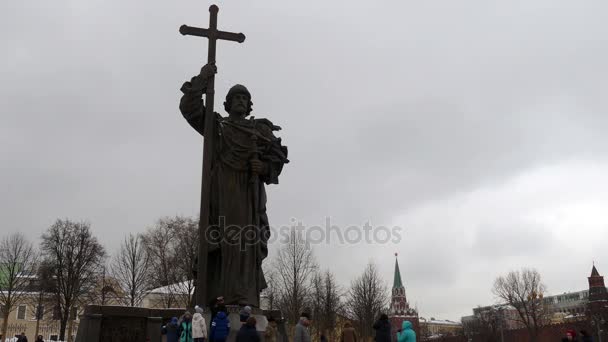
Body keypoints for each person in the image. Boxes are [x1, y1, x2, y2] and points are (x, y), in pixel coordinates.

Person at [180, 65, 289, 307]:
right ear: (227, 104)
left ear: (249, 104)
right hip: (222, 192)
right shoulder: (218, 127)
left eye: (244, 98)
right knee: (220, 241)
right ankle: (217, 295)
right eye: (235, 97)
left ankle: (243, 296)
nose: (240, 101)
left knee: (246, 243)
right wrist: (202, 80)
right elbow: (190, 109)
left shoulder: (258, 131)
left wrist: (263, 167)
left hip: (248, 194)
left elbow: (278, 157)